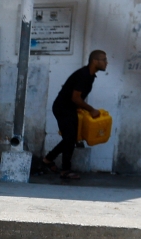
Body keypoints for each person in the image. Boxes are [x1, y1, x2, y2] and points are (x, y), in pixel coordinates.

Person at [44, 50, 108, 180]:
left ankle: (48, 159)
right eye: (104, 60)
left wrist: (80, 108)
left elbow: (74, 96)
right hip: (63, 108)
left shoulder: (89, 75)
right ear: (95, 61)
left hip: (69, 108)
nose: (106, 63)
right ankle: (65, 170)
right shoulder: (83, 75)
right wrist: (91, 109)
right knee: (69, 139)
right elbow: (75, 97)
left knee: (71, 139)